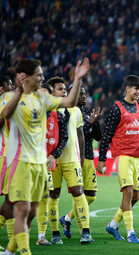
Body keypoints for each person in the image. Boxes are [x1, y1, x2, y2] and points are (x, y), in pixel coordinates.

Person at [1, 57, 89, 255]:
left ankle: (9, 251)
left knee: (32, 212)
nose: (42, 78)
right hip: (19, 161)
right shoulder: (9, 97)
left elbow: (70, 102)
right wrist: (18, 90)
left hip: (40, 163)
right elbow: (5, 114)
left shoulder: (42, 98)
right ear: (25, 77)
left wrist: (78, 79)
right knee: (22, 208)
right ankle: (25, 252)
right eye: (39, 75)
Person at [96, 75, 139, 243]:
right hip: (123, 155)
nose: (138, 91)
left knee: (136, 197)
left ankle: (113, 224)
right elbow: (107, 135)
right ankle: (131, 232)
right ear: (127, 88)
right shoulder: (116, 109)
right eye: (135, 88)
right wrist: (102, 160)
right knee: (128, 191)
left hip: (138, 156)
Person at [45, 76, 92, 245]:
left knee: (79, 192)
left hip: (71, 158)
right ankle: (55, 233)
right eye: (60, 88)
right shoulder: (46, 110)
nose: (64, 90)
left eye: (65, 88)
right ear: (51, 92)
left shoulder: (75, 110)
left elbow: (80, 135)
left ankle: (86, 231)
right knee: (53, 194)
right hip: (51, 161)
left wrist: (82, 157)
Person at [60, 85, 101, 238]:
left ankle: (67, 218)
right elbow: (72, 134)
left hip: (88, 157)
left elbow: (98, 137)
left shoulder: (85, 112)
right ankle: (83, 231)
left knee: (90, 195)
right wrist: (89, 122)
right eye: (81, 94)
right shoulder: (66, 112)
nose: (84, 96)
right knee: (79, 194)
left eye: (85, 94)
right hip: (73, 158)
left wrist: (95, 122)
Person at [35, 83, 69, 246]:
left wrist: (54, 155)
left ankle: (41, 236)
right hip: (24, 163)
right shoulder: (26, 113)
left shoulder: (59, 117)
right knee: (15, 201)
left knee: (44, 198)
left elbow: (64, 138)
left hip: (45, 165)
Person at [0, 75, 14, 251]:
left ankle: (12, 242)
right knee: (10, 200)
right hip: (5, 156)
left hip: (12, 157)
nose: (12, 86)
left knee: (11, 200)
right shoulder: (4, 103)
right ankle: (12, 243)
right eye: (9, 84)